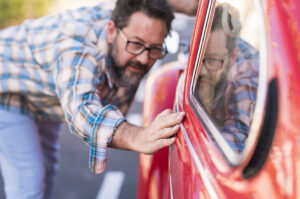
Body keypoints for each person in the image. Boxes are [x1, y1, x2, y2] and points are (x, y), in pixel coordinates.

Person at [0, 0, 185, 198]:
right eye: (136, 44)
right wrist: (136, 136)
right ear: (111, 30)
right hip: (8, 88)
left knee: (47, 168)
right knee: (29, 180)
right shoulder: (78, 48)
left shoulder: (129, 11)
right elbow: (81, 110)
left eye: (155, 48)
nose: (143, 59)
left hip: (44, 96)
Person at [195, 3, 259, 152]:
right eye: (198, 59)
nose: (202, 71)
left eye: (212, 60)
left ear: (232, 57)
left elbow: (237, 137)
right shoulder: (211, 45)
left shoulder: (246, 75)